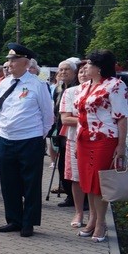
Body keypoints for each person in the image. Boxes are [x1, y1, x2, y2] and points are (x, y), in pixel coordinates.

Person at [0, 43, 54, 237]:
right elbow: (0, 110)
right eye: (9, 60)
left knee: (30, 183)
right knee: (8, 182)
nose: (9, 63)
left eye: (13, 60)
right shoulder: (3, 83)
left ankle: (28, 222)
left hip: (30, 140)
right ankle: (14, 219)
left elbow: (48, 116)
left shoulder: (38, 84)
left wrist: (38, 135)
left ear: (26, 63)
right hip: (6, 139)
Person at [75, 50, 128, 243]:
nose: (85, 67)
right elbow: (81, 116)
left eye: (89, 64)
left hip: (104, 140)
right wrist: (76, 142)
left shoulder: (115, 85)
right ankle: (92, 219)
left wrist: (121, 146)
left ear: (99, 67)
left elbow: (121, 117)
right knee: (88, 183)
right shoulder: (84, 86)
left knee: (100, 183)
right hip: (84, 139)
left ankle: (100, 223)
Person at [59, 62, 90, 228]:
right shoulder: (70, 92)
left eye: (86, 70)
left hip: (97, 140)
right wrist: (91, 121)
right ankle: (78, 212)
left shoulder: (102, 91)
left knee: (96, 179)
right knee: (76, 178)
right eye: (80, 71)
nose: (83, 73)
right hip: (74, 140)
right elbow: (66, 119)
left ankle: (95, 216)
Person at [51, 59, 80, 207]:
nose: (63, 72)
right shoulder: (60, 88)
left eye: (66, 69)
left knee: (73, 167)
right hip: (61, 132)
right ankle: (70, 195)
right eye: (61, 69)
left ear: (74, 72)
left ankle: (80, 199)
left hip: (74, 132)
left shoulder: (77, 89)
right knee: (63, 166)